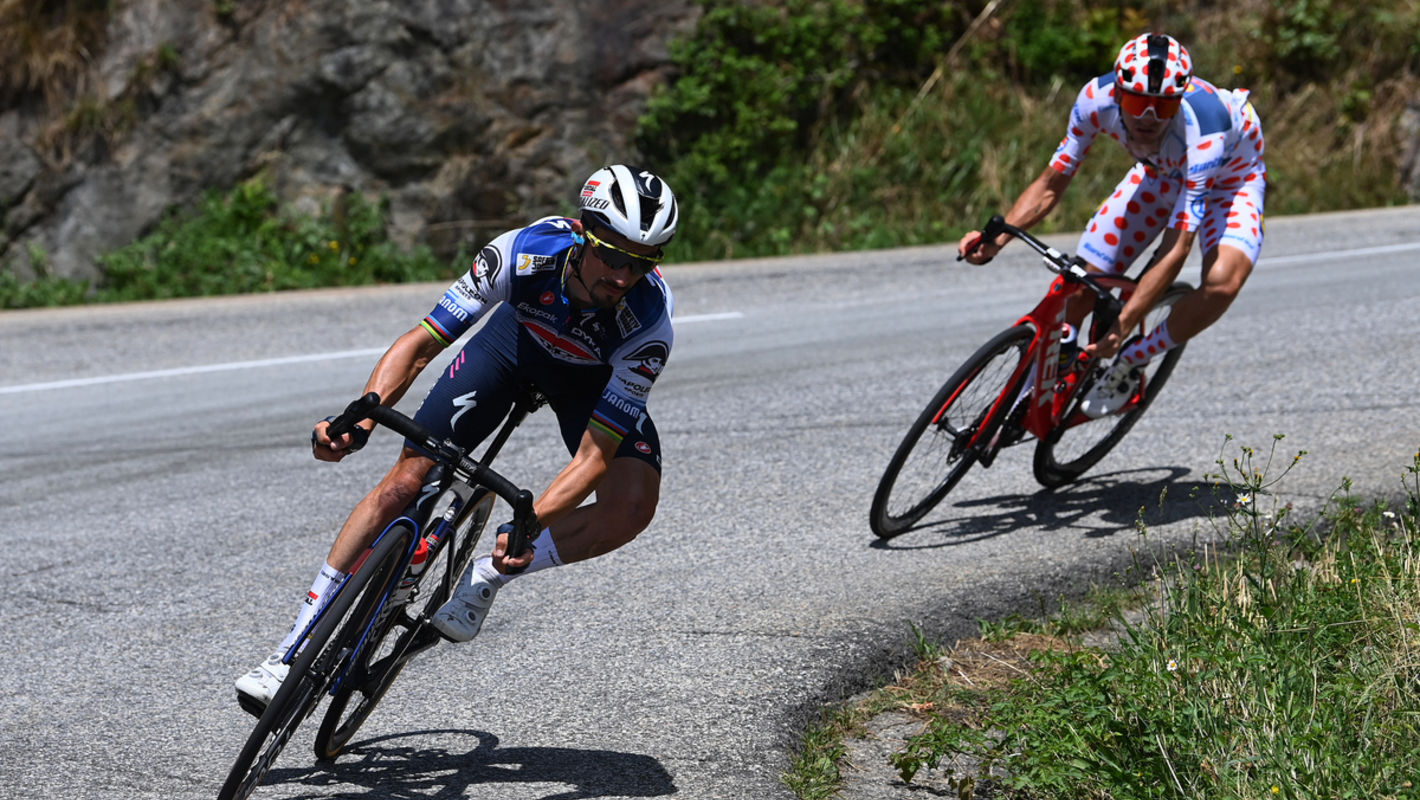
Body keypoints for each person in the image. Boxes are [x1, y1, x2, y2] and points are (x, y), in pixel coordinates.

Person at [235, 164, 680, 713]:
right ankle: (288, 655)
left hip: (591, 379)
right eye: (612, 255)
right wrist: (362, 416)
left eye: (641, 262)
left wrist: (530, 525)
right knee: (404, 483)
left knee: (631, 506)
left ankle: (487, 573)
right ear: (583, 234)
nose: (623, 275)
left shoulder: (649, 323)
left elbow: (593, 458)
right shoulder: (522, 254)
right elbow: (421, 343)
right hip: (512, 347)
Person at [958, 32, 1266, 417]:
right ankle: (1030, 399)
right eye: (1137, 102)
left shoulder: (1205, 130)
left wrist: (1125, 323)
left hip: (1229, 182)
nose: (1148, 117)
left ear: (1180, 100)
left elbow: (1176, 246)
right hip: (1158, 174)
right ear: (1119, 93)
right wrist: (996, 239)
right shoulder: (1094, 99)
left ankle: (1135, 359)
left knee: (1222, 282)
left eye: (1162, 106)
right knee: (1083, 286)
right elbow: (1051, 184)